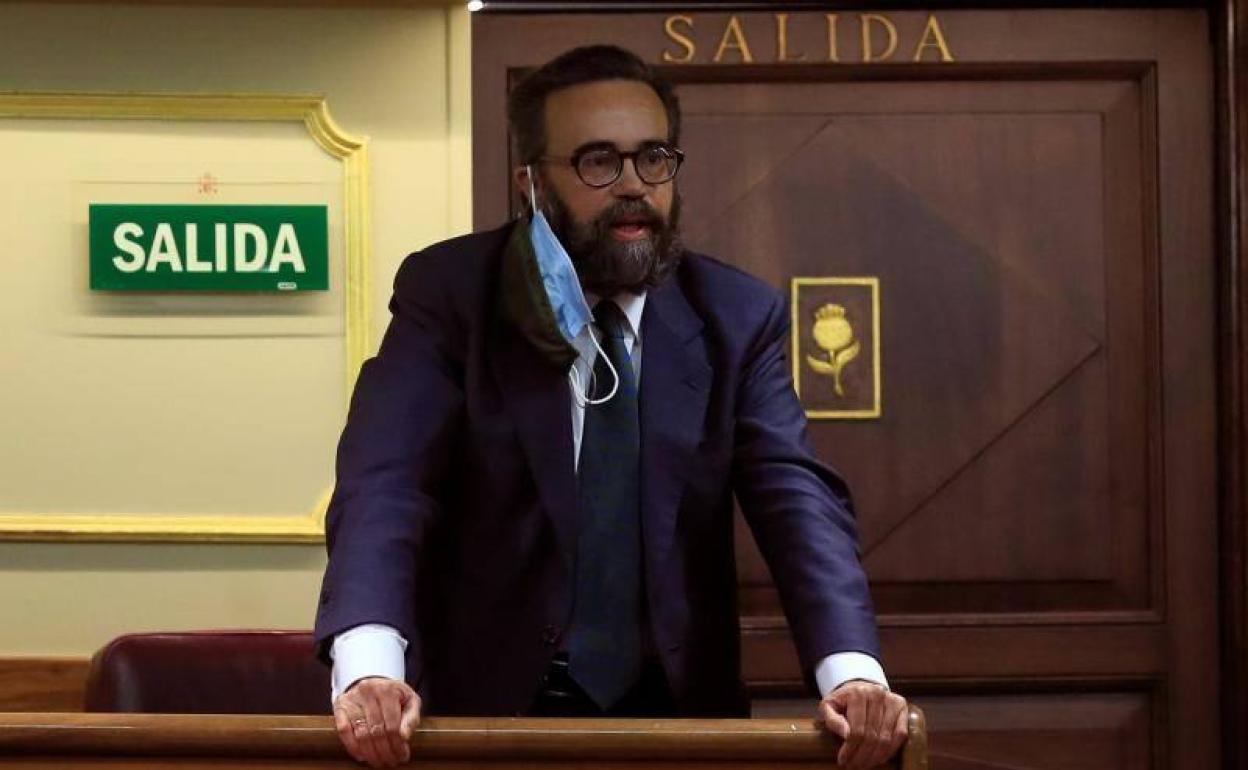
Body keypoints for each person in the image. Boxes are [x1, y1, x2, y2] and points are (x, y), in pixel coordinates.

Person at [314, 44, 907, 770]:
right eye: (598, 161)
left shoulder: (736, 315)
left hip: (679, 720)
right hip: (484, 719)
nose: (633, 186)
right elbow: (387, 483)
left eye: (653, 158)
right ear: (531, 183)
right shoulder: (452, 296)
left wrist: (852, 672)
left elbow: (796, 499)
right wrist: (372, 666)